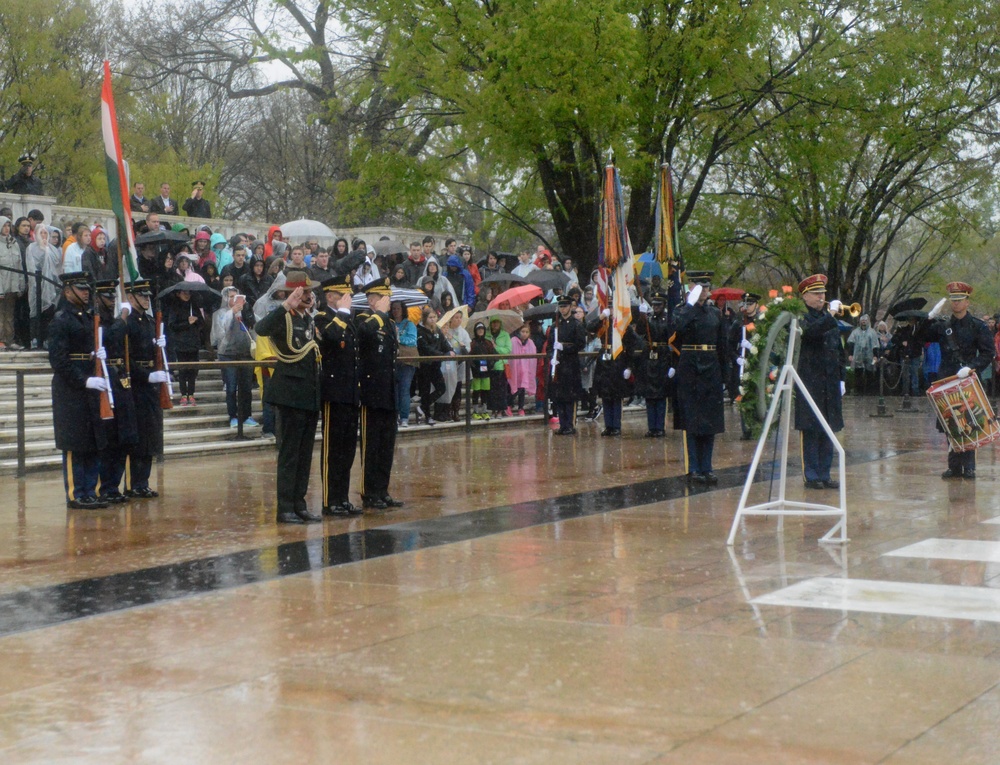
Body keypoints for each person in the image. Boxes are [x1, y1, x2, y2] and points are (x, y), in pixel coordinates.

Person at [255, 269, 323, 523]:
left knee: (304, 454)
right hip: (289, 395)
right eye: (304, 292)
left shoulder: (308, 319)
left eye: (310, 292)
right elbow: (261, 328)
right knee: (289, 454)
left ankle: (299, 504)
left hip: (308, 394)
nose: (309, 296)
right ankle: (285, 507)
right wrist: (285, 306)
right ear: (293, 293)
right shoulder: (284, 316)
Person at [915, 281, 995, 480]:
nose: (956, 304)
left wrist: (972, 367)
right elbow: (919, 337)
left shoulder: (978, 326)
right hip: (946, 379)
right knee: (950, 423)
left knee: (969, 422)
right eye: (953, 300)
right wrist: (928, 318)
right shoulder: (942, 326)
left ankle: (969, 467)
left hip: (966, 379)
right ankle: (954, 466)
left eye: (960, 300)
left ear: (967, 302)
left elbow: (988, 352)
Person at [48, 272, 109, 508]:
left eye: (87, 289)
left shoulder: (88, 317)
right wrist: (84, 380)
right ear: (67, 291)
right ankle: (76, 493)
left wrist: (97, 355)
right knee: (75, 443)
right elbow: (59, 361)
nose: (86, 292)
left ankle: (91, 491)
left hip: (90, 384)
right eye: (81, 289)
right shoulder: (61, 320)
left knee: (92, 440)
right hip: (71, 390)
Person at [671, 271, 729, 484]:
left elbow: (722, 345)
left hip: (711, 366)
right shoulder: (682, 311)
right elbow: (677, 328)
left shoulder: (715, 313)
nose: (703, 291)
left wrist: (725, 375)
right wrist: (690, 306)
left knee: (709, 420)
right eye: (699, 288)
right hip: (690, 366)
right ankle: (694, 467)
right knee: (692, 419)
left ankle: (707, 466)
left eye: (706, 287)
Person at [315, 271, 363, 516]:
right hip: (334, 392)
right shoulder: (323, 318)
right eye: (345, 295)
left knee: (346, 449)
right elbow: (331, 339)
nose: (349, 300)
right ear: (331, 296)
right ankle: (329, 500)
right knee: (333, 449)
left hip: (350, 392)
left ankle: (342, 497)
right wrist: (343, 314)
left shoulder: (348, 319)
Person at [795, 274, 846, 490]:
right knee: (811, 428)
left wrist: (842, 377)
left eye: (823, 293)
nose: (821, 297)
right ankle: (812, 474)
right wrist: (831, 316)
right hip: (810, 381)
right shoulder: (800, 318)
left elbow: (839, 350)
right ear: (805, 296)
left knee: (828, 427)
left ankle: (825, 473)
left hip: (830, 380)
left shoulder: (829, 319)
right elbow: (810, 335)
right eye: (816, 294)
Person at [357, 277, 404, 509]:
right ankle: (369, 492)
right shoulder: (365, 319)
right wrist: (380, 314)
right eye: (383, 298)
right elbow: (363, 334)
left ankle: (382, 489)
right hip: (371, 392)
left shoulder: (388, 324)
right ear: (371, 300)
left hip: (387, 391)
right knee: (372, 445)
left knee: (386, 444)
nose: (388, 302)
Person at [92, 279, 138, 504]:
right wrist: (122, 319)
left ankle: (113, 486)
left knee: (125, 436)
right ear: (99, 299)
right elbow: (109, 338)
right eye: (108, 298)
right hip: (106, 379)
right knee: (108, 438)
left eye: (113, 297)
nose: (112, 302)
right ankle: (104, 487)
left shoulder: (115, 320)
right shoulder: (97, 322)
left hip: (120, 377)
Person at [124, 279, 169, 498]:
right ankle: (133, 482)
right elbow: (126, 359)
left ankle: (143, 481)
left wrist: (159, 346)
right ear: (131, 297)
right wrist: (147, 375)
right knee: (138, 436)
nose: (146, 299)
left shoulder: (150, 321)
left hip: (152, 383)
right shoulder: (128, 323)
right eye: (142, 296)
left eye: (147, 296)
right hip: (137, 383)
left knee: (150, 435)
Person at [586, 307, 643, 436]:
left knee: (616, 396)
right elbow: (589, 327)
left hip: (618, 361)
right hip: (604, 361)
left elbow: (636, 344)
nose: (610, 311)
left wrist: (629, 366)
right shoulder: (603, 323)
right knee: (605, 395)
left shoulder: (623, 326)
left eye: (612, 308)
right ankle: (608, 426)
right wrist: (601, 317)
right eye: (609, 308)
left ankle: (616, 425)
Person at [211, 286, 257, 428]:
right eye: (231, 296)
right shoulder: (219, 313)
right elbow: (220, 332)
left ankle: (246, 415)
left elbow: (255, 326)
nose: (234, 299)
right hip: (227, 354)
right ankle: (233, 416)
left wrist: (247, 312)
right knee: (231, 387)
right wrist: (232, 313)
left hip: (245, 354)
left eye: (236, 296)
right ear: (225, 298)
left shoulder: (246, 312)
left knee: (246, 388)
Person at [545, 295, 586, 434]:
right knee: (559, 396)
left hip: (571, 363)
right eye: (561, 306)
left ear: (570, 307)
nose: (563, 309)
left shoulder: (576, 324)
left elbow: (580, 344)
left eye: (565, 306)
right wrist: (552, 357)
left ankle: (570, 424)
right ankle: (563, 425)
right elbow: (550, 346)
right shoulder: (555, 325)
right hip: (559, 364)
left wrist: (564, 348)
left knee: (570, 396)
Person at [637, 292, 673, 437]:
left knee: (660, 395)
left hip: (663, 356)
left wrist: (672, 364)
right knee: (650, 395)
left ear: (663, 305)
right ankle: (651, 427)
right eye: (654, 305)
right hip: (650, 357)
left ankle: (660, 427)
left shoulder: (667, 319)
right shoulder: (649, 318)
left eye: (658, 305)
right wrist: (641, 317)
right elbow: (640, 332)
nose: (656, 307)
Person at [26, 225, 63, 348]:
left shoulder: (52, 249)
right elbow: (31, 265)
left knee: (49, 312)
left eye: (45, 233)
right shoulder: (31, 248)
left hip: (51, 287)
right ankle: (35, 338)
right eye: (41, 233)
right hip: (37, 285)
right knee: (36, 312)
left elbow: (57, 266)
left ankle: (47, 338)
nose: (43, 236)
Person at [415, 306, 452, 425]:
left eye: (434, 317)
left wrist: (451, 351)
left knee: (441, 388)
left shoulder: (437, 330)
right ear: (425, 318)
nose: (432, 320)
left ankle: (422, 407)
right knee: (425, 390)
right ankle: (427, 415)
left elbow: (444, 343)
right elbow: (425, 348)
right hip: (425, 365)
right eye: (430, 317)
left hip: (436, 365)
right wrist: (443, 354)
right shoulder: (419, 331)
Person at [167, 288, 204, 406]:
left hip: (193, 343)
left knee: (193, 370)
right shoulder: (175, 307)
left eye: (189, 293)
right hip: (181, 343)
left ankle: (191, 394)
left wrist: (196, 320)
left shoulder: (193, 306)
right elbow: (172, 325)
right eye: (184, 293)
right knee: (183, 370)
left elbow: (202, 323)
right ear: (178, 294)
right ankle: (184, 394)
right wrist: (187, 322)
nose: (187, 295)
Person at [391, 300, 418, 427]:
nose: (395, 311)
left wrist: (398, 337)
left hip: (407, 361)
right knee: (394, 389)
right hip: (394, 360)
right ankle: (394, 415)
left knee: (404, 389)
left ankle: (404, 417)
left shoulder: (409, 324)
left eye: (398, 308)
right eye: (393, 309)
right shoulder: (389, 324)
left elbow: (412, 340)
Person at [0, 216, 26, 349]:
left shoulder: (14, 243)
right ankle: (1, 340)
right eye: (4, 226)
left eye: (8, 226)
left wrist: (20, 285)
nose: (6, 229)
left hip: (12, 285)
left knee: (10, 315)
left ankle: (10, 340)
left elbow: (19, 266)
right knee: (1, 314)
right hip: (2, 285)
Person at [846, 315, 879, 395]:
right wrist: (850, 354)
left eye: (865, 320)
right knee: (858, 373)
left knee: (869, 373)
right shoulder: (855, 332)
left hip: (869, 355)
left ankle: (869, 392)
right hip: (858, 355)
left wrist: (875, 355)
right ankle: (859, 391)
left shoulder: (872, 332)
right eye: (862, 320)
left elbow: (875, 345)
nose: (863, 322)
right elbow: (851, 343)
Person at [508, 324, 537, 416]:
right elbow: (511, 354)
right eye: (523, 332)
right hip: (516, 369)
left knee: (522, 388)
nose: (524, 334)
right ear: (519, 332)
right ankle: (508, 405)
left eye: (527, 332)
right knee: (514, 388)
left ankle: (521, 407)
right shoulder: (513, 341)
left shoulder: (530, 343)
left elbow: (533, 356)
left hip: (525, 369)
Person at [468, 321, 494, 420]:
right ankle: (475, 411)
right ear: (475, 331)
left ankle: (484, 410)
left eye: (482, 329)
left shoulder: (488, 343)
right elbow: (469, 356)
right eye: (478, 329)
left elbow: (494, 355)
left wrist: (491, 364)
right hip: (476, 372)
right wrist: (473, 366)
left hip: (486, 372)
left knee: (485, 391)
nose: (480, 331)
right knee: (476, 391)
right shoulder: (473, 343)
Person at [487, 316, 513, 417]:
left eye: (497, 322)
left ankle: (500, 409)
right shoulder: (487, 335)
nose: (495, 324)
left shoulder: (505, 335)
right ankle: (492, 409)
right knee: (491, 390)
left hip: (501, 365)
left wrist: (496, 348)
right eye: (493, 322)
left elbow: (508, 350)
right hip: (490, 365)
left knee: (501, 389)